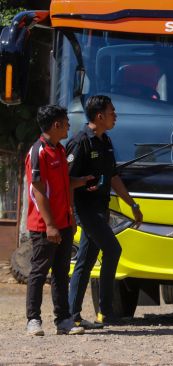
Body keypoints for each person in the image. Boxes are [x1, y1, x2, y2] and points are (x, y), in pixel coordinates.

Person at [67, 95, 143, 328]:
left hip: (101, 209)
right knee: (113, 249)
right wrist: (69, 213)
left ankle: (73, 316)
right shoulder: (80, 142)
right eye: (112, 112)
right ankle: (106, 312)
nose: (115, 116)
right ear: (99, 116)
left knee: (86, 261)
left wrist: (132, 205)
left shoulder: (105, 141)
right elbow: (66, 181)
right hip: (85, 209)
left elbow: (113, 176)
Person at [24, 105, 93, 336]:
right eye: (65, 122)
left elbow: (64, 184)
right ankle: (33, 319)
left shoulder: (60, 151)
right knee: (39, 272)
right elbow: (38, 190)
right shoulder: (38, 152)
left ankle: (63, 319)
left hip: (63, 223)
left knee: (62, 273)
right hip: (44, 226)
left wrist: (83, 181)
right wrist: (50, 225)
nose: (68, 126)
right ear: (56, 125)